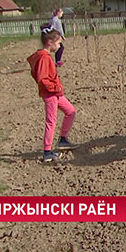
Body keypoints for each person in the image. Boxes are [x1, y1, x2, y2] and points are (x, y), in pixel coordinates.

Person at [27, 26, 78, 163]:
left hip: (55, 93)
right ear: (50, 42)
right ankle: (47, 152)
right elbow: (42, 80)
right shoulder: (44, 58)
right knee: (51, 121)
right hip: (51, 94)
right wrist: (57, 88)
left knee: (70, 111)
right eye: (59, 43)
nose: (60, 45)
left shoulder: (45, 56)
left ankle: (62, 140)